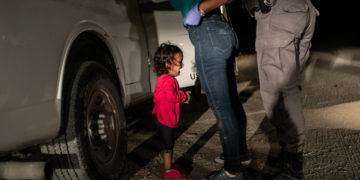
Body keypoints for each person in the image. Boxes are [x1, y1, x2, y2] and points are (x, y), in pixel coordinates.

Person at [169, 0, 250, 179]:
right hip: (219, 31)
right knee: (230, 101)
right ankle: (240, 154)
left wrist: (199, 9)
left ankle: (232, 171)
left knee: (221, 106)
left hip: (207, 33)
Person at [242, 0, 319, 178]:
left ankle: (293, 159)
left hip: (279, 13)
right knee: (289, 88)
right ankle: (290, 152)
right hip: (303, 10)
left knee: (277, 94)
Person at [152, 43, 191, 180]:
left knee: (168, 144)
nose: (181, 65)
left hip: (160, 116)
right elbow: (170, 96)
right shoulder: (168, 80)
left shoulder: (164, 79)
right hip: (164, 119)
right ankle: (168, 172)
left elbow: (166, 96)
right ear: (168, 64)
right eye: (179, 62)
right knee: (168, 145)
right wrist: (184, 96)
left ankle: (169, 167)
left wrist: (181, 96)